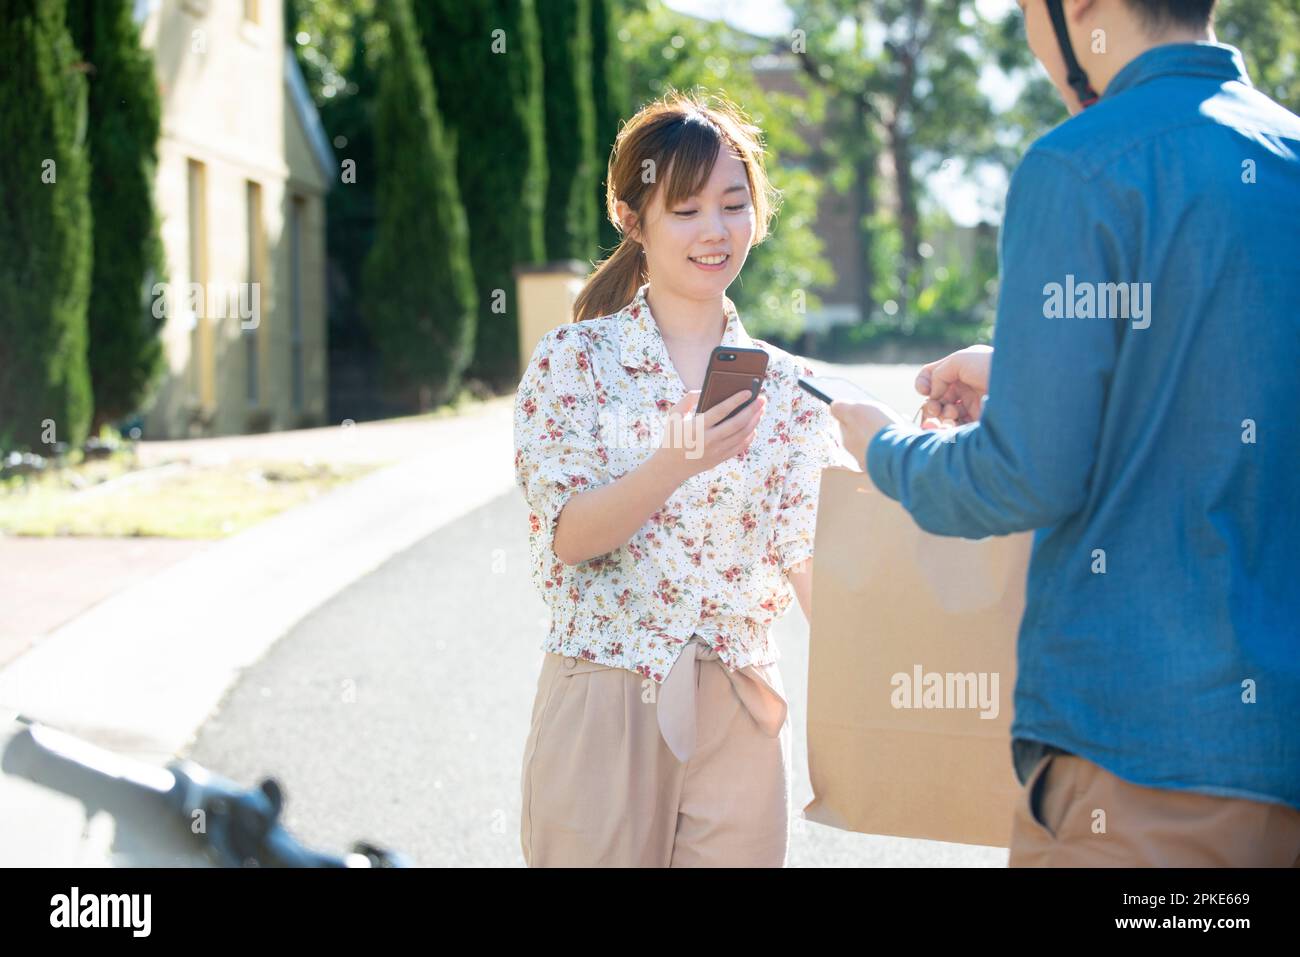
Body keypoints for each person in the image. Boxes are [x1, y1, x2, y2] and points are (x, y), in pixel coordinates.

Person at [831, 0, 1300, 866]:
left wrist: (882, 448)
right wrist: (1027, 371)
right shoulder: (1287, 159)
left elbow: (1025, 475)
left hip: (1138, 771)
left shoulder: (1079, 168)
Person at [513, 91, 856, 867]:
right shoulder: (575, 363)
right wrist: (678, 461)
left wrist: (887, 673)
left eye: (734, 205)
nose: (716, 230)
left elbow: (809, 557)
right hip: (605, 693)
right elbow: (568, 534)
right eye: (687, 208)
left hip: (740, 703)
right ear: (633, 219)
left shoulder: (792, 387)